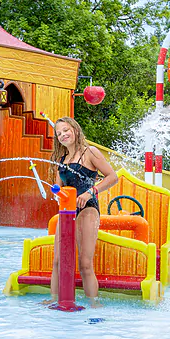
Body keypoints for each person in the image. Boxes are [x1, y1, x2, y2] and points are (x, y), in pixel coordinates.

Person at [47, 117, 118, 307]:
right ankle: (54, 301)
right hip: (67, 212)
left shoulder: (90, 153)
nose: (63, 135)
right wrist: (55, 191)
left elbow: (112, 177)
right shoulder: (61, 161)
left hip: (88, 209)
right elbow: (58, 188)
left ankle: (94, 304)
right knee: (58, 261)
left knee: (85, 263)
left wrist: (90, 192)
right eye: (59, 133)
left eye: (66, 130)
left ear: (75, 130)